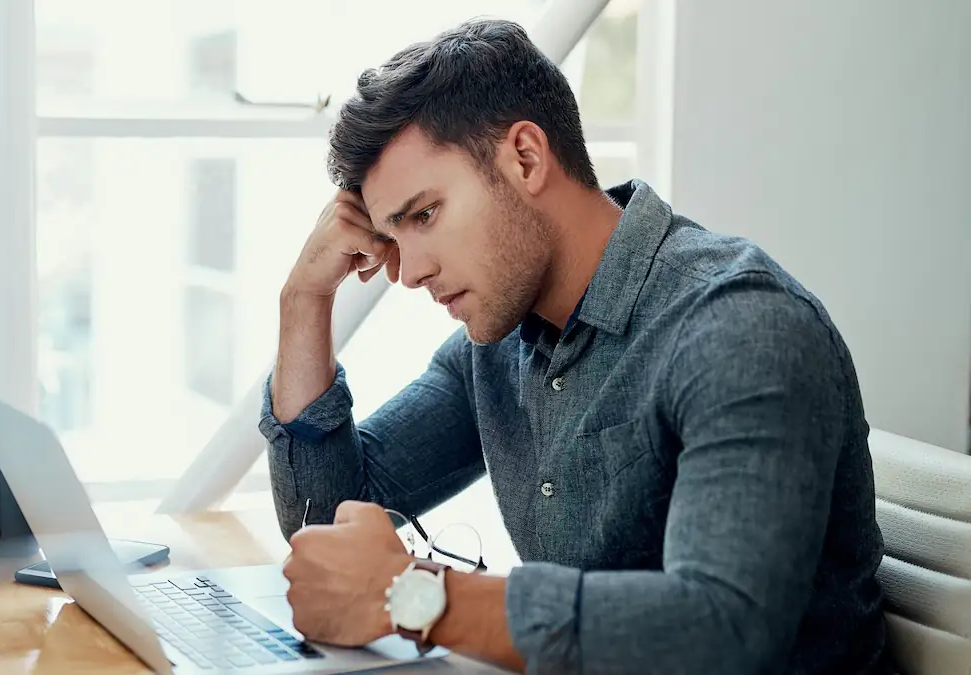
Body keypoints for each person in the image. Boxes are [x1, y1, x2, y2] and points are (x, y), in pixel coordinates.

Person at [257, 17, 889, 675]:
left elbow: (721, 631)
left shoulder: (741, 328)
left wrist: (416, 596)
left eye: (424, 215)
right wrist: (303, 302)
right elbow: (330, 521)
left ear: (525, 157)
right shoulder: (497, 343)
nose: (409, 270)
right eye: (393, 233)